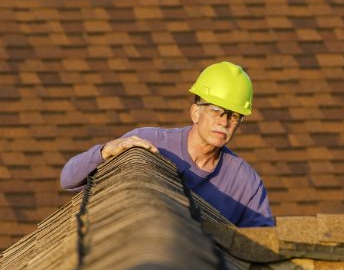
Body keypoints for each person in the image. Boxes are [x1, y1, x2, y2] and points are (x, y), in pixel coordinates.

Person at [61, 61, 274, 227]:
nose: (224, 121)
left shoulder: (246, 183)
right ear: (195, 112)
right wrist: (106, 151)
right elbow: (68, 179)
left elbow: (265, 245)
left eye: (234, 116)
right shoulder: (148, 143)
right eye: (216, 110)